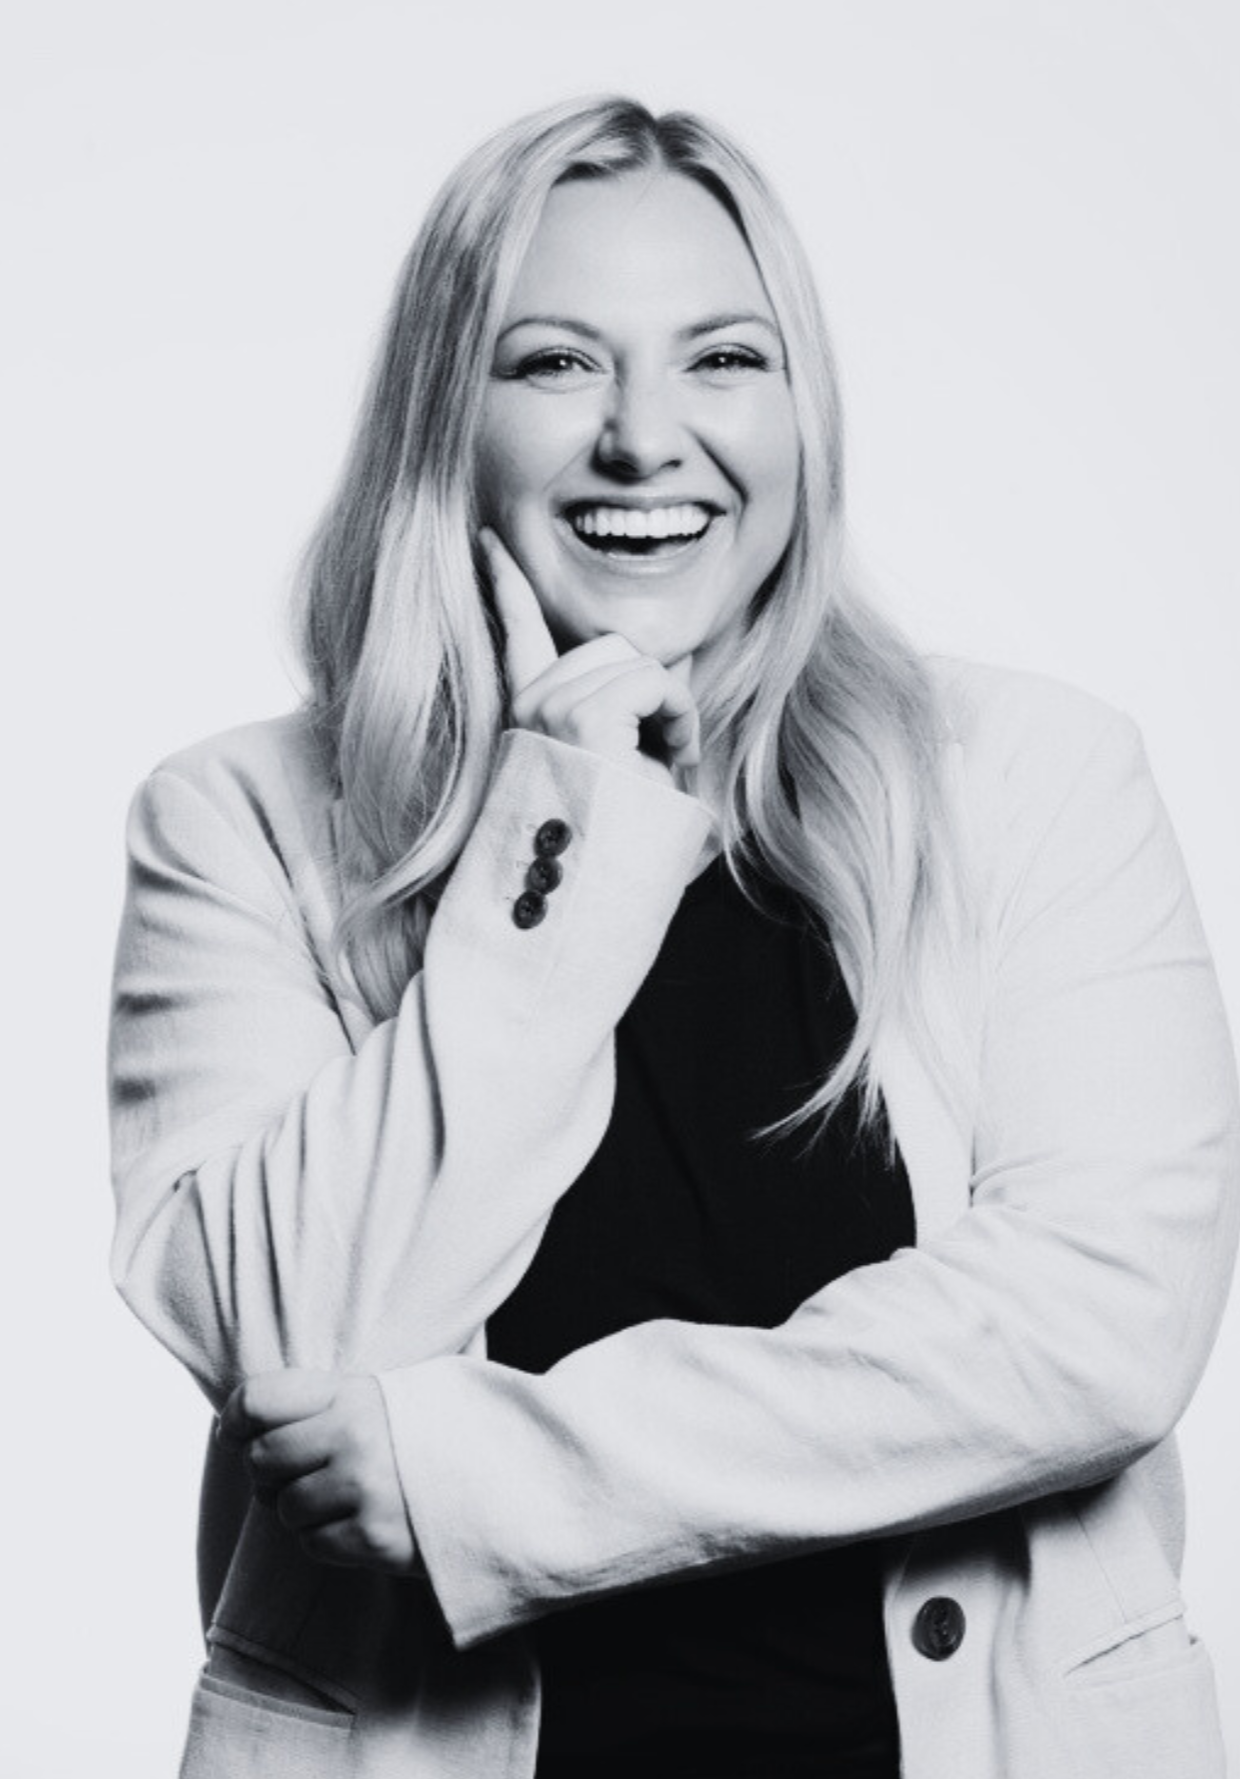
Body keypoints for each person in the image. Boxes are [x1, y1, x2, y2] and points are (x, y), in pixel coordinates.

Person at [108, 96, 1239, 1779]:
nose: (647, 440)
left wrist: (487, 1476)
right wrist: (559, 840)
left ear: (802, 412)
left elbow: (1095, 1328)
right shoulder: (242, 822)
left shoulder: (1031, 778)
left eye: (723, 359)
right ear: (446, 415)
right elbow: (290, 1346)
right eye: (558, 362)